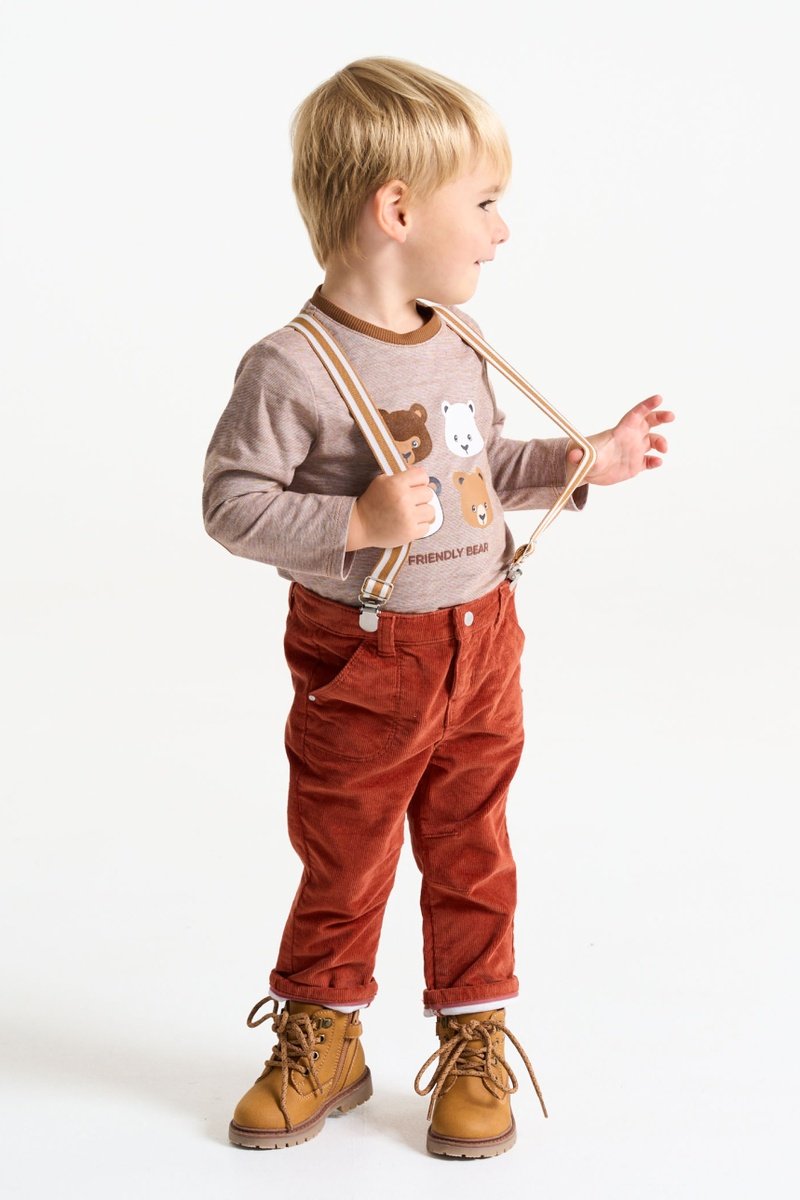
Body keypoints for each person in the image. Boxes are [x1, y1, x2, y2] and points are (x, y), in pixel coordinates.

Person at [201, 55, 674, 1159]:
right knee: (346, 854)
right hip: (365, 658)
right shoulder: (293, 367)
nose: (501, 232)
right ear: (398, 210)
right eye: (486, 203)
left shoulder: (457, 341)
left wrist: (585, 460)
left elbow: (478, 471)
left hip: (483, 639)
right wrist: (356, 521)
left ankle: (473, 1038)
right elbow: (231, 505)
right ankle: (325, 1035)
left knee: (473, 851)